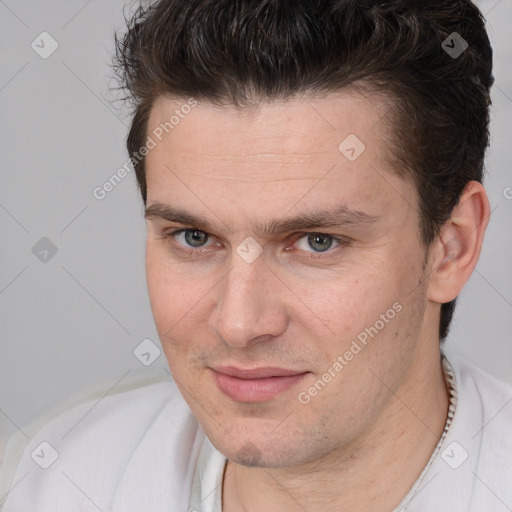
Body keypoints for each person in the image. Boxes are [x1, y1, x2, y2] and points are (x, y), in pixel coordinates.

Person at [1, 0, 511, 511]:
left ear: (452, 247)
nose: (239, 324)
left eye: (317, 241)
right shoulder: (56, 480)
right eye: (194, 237)